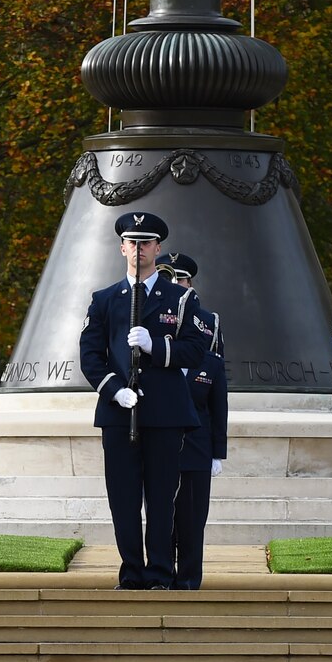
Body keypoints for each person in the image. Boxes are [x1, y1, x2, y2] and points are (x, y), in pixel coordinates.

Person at [79, 211, 210, 589]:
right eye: (132, 243)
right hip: (119, 412)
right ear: (122, 247)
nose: (139, 249)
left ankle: (158, 573)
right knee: (123, 498)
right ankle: (132, 570)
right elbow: (90, 354)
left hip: (164, 413)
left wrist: (157, 348)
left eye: (146, 243)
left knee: (161, 498)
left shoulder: (181, 298)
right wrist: (114, 389)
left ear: (157, 248)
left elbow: (195, 349)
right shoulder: (105, 299)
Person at [161, 252, 228, 590]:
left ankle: (188, 576)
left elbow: (218, 401)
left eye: (182, 280)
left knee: (191, 515)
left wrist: (218, 451)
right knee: (161, 515)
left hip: (197, 444)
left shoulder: (207, 323)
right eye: (172, 280)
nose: (177, 286)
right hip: (161, 439)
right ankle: (159, 573)